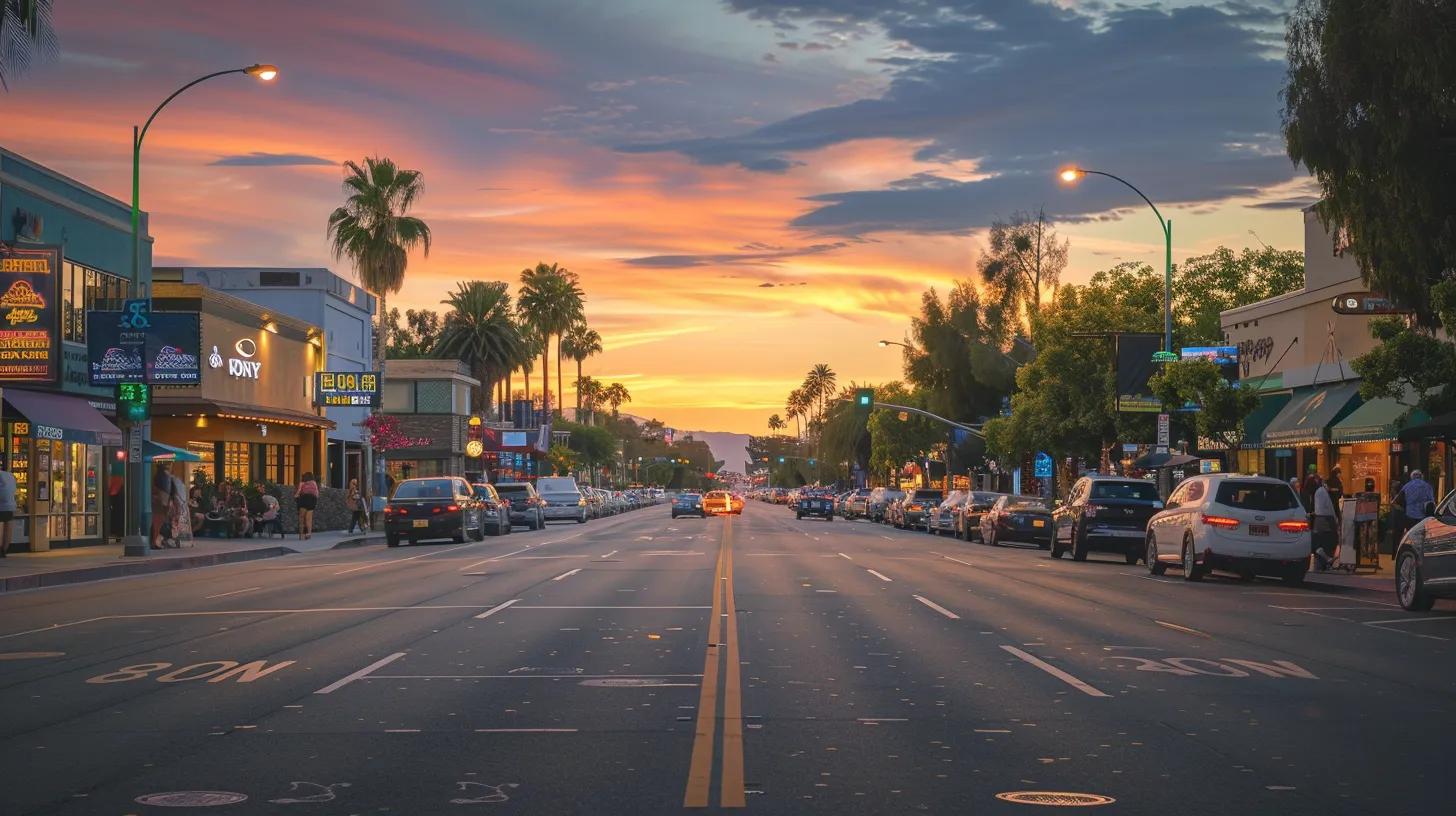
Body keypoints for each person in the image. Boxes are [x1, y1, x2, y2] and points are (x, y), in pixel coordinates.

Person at [1311, 475, 1337, 571]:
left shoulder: (1318, 492)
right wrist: (1334, 519)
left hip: (1319, 520)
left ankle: (1324, 562)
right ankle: (1327, 560)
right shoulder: (1322, 492)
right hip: (1325, 520)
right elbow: (1329, 508)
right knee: (1326, 542)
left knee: (1319, 542)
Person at [295, 472, 320, 539]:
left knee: (301, 518)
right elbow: (317, 494)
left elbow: (298, 493)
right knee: (309, 519)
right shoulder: (314, 483)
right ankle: (308, 533)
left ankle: (301, 535)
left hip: (304, 500)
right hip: (312, 501)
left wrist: (296, 497)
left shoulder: (302, 483)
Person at [0, 458, 17, 557]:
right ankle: (5, 550)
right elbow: (14, 489)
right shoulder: (11, 476)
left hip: (2, 505)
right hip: (11, 505)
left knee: (1, 527)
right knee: (8, 526)